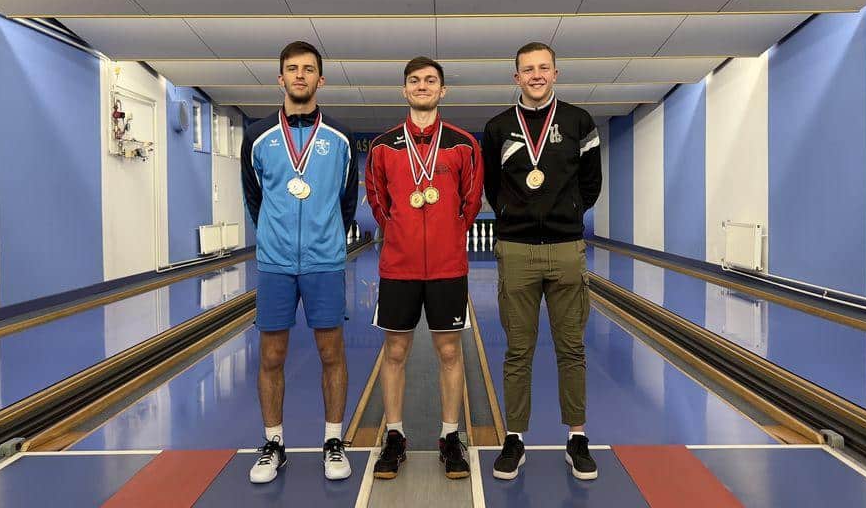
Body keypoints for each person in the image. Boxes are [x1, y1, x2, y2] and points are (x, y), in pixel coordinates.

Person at [481, 42, 602, 481]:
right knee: (518, 349)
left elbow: (591, 183)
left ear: (555, 73)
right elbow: (492, 185)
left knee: (572, 348)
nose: (536, 75)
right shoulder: (497, 127)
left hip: (566, 248)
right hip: (516, 249)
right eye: (528, 69)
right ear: (516, 77)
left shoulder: (578, 121)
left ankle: (577, 438)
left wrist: (567, 213)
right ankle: (514, 438)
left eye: (543, 68)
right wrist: (513, 214)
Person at [240, 40, 358, 483]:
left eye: (308, 69)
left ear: (320, 79)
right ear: (281, 78)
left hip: (325, 262)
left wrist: (327, 236)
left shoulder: (341, 138)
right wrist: (275, 235)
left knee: (332, 352)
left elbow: (347, 201)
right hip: (275, 264)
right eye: (292, 69)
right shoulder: (258, 136)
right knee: (271, 355)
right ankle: (273, 444)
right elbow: (254, 197)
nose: (300, 75)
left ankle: (333, 441)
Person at [365, 56, 484, 480]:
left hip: (448, 268)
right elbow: (377, 200)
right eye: (414, 80)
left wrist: (448, 233)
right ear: (404, 90)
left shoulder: (463, 144)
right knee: (395, 352)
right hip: (398, 268)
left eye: (430, 80)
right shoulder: (382, 146)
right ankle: (395, 436)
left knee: (450, 352)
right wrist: (401, 232)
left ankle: (450, 437)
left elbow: (471, 201)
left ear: (442, 90)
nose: (422, 86)